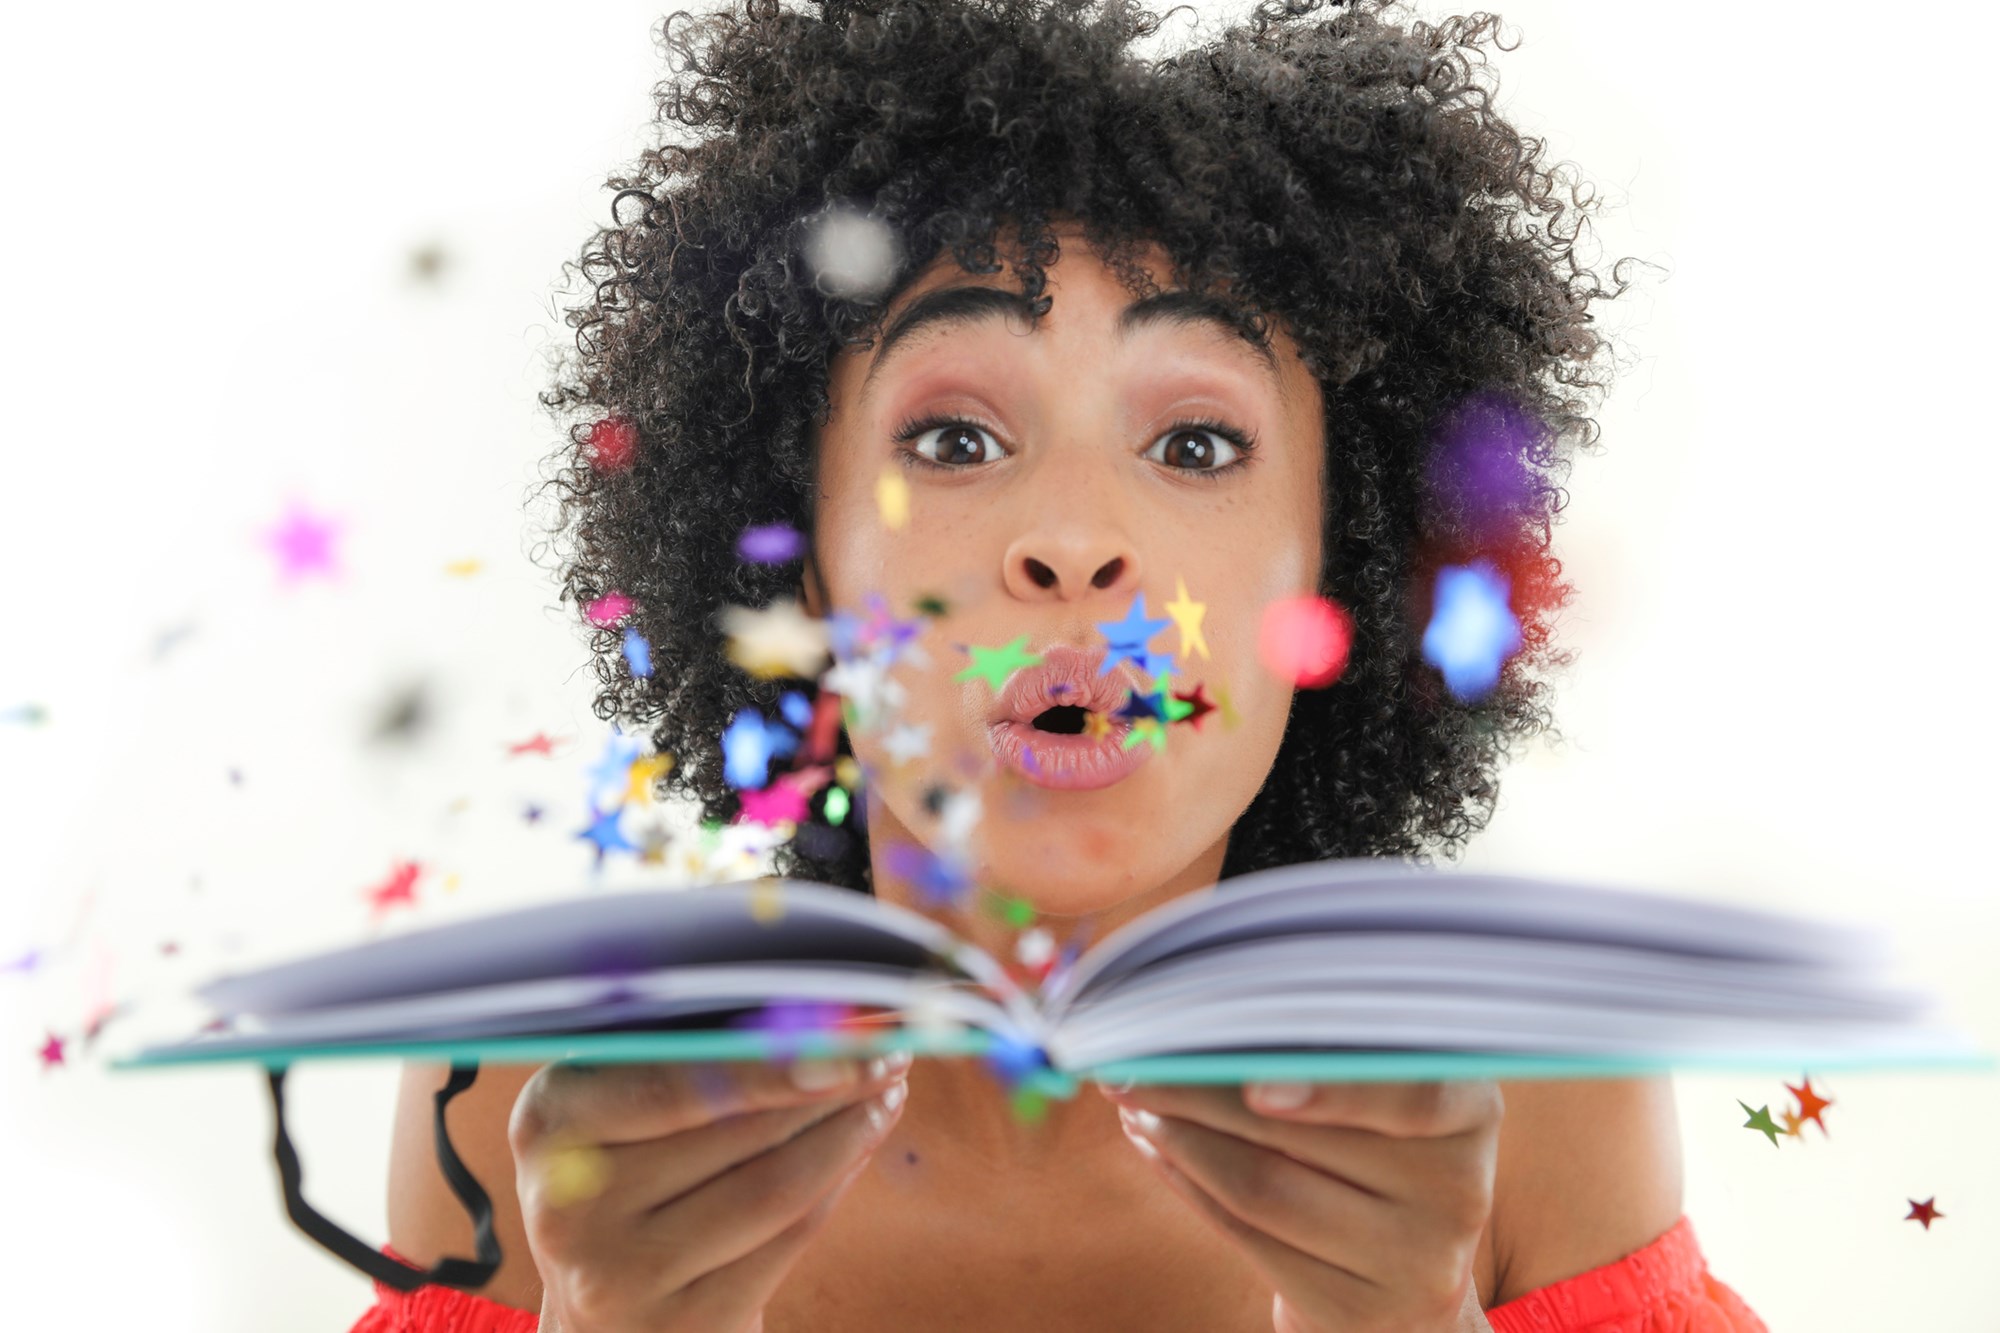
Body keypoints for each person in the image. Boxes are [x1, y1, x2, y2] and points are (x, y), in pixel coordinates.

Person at [357, 0, 1769, 1327]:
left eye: (1196, 444)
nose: (1077, 543)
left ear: (1333, 574)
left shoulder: (1544, 1103)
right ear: (803, 571)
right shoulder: (519, 1109)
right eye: (956, 438)